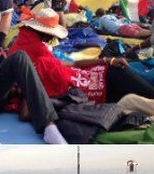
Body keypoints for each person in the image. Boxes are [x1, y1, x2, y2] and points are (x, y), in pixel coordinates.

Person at [8, 8, 154, 103]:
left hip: (101, 78)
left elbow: (74, 64)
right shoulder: (37, 56)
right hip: (99, 90)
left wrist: (106, 60)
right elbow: (26, 113)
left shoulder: (37, 53)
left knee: (127, 77)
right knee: (138, 92)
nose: (49, 39)